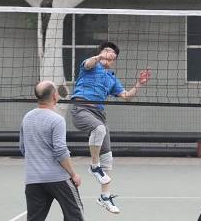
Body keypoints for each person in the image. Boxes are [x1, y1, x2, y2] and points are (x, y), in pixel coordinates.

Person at [71, 41, 151, 214]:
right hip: (81, 109)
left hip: (99, 114)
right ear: (100, 54)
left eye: (111, 54)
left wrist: (139, 84)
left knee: (107, 156)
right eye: (106, 51)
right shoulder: (90, 66)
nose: (108, 55)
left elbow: (127, 97)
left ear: (114, 60)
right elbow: (89, 62)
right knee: (99, 129)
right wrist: (100, 56)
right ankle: (94, 166)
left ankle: (105, 197)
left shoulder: (112, 78)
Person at [20, 80, 84, 221]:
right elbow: (60, 152)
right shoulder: (57, 120)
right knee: (75, 215)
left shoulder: (27, 118)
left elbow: (23, 148)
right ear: (55, 96)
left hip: (33, 179)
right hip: (58, 178)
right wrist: (73, 174)